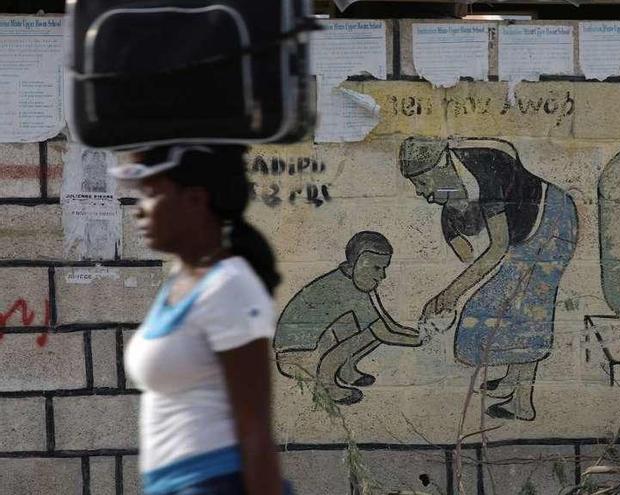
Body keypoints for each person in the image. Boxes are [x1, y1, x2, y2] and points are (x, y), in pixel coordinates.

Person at [116, 145, 291, 495]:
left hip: (214, 484)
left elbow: (255, 430)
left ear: (195, 200)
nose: (139, 211)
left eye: (151, 194)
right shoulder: (181, 283)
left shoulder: (230, 286)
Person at [400, 137, 578, 421]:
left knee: (526, 310)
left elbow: (497, 248)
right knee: (514, 303)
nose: (422, 193)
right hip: (528, 233)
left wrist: (450, 294)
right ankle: (511, 381)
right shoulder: (454, 180)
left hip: (553, 221)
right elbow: (467, 249)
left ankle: (522, 403)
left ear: (441, 165)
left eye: (423, 183)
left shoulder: (483, 173)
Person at [274, 231, 421, 405]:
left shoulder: (351, 280)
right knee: (372, 332)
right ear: (357, 263)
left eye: (384, 268)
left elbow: (386, 323)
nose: (382, 276)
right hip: (297, 359)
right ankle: (328, 385)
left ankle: (346, 371)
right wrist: (419, 340)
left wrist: (417, 333)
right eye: (376, 268)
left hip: (304, 353)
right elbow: (383, 332)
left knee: (366, 326)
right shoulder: (346, 288)